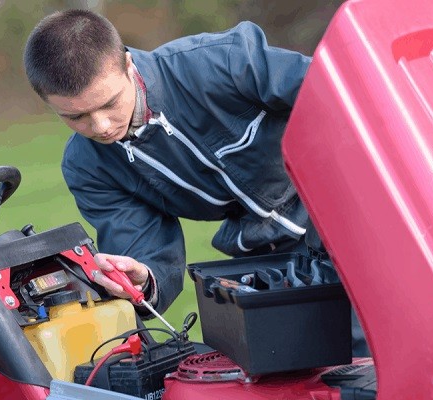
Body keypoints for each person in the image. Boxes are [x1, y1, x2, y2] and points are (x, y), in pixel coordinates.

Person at [24, 9, 369, 356]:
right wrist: (144, 276)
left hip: (350, 212)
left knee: (366, 355)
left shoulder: (221, 61)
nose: (99, 126)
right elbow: (145, 247)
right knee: (280, 368)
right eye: (76, 116)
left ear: (128, 65)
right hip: (266, 255)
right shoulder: (87, 167)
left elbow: (340, 94)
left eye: (109, 103)